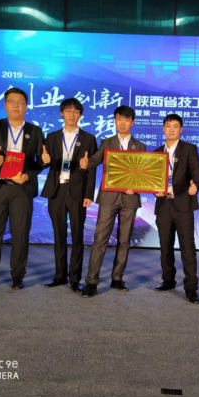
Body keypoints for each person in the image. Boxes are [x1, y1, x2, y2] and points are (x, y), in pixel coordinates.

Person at [0, 87, 44, 290]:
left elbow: (39, 161)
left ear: (26, 106)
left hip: (21, 189)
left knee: (20, 233)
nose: (16, 105)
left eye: (20, 102)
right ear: (5, 105)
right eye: (12, 101)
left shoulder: (35, 131)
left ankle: (17, 274)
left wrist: (28, 174)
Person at [78, 105, 146, 298]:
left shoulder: (140, 146)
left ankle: (117, 278)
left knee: (124, 241)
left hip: (130, 197)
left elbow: (143, 171)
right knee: (100, 239)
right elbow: (96, 160)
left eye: (126, 120)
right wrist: (86, 164)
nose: (122, 123)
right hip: (109, 196)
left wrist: (137, 186)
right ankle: (91, 281)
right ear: (115, 121)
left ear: (132, 122)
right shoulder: (107, 142)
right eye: (119, 119)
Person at [41, 98, 97, 292]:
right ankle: (59, 276)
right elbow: (43, 162)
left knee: (77, 235)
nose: (72, 115)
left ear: (80, 115)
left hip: (78, 192)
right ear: (62, 113)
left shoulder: (89, 139)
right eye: (68, 111)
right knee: (59, 235)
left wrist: (89, 194)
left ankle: (75, 278)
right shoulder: (51, 137)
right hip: (56, 190)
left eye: (75, 111)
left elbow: (91, 170)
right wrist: (43, 160)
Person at [154, 114, 199, 304]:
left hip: (183, 203)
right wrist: (154, 190)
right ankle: (168, 280)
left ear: (181, 129)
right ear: (163, 129)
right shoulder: (157, 152)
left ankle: (191, 288)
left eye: (175, 126)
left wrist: (195, 185)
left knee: (187, 248)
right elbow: (152, 179)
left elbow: (196, 172)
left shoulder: (189, 148)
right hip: (163, 203)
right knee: (165, 246)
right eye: (168, 126)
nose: (172, 129)